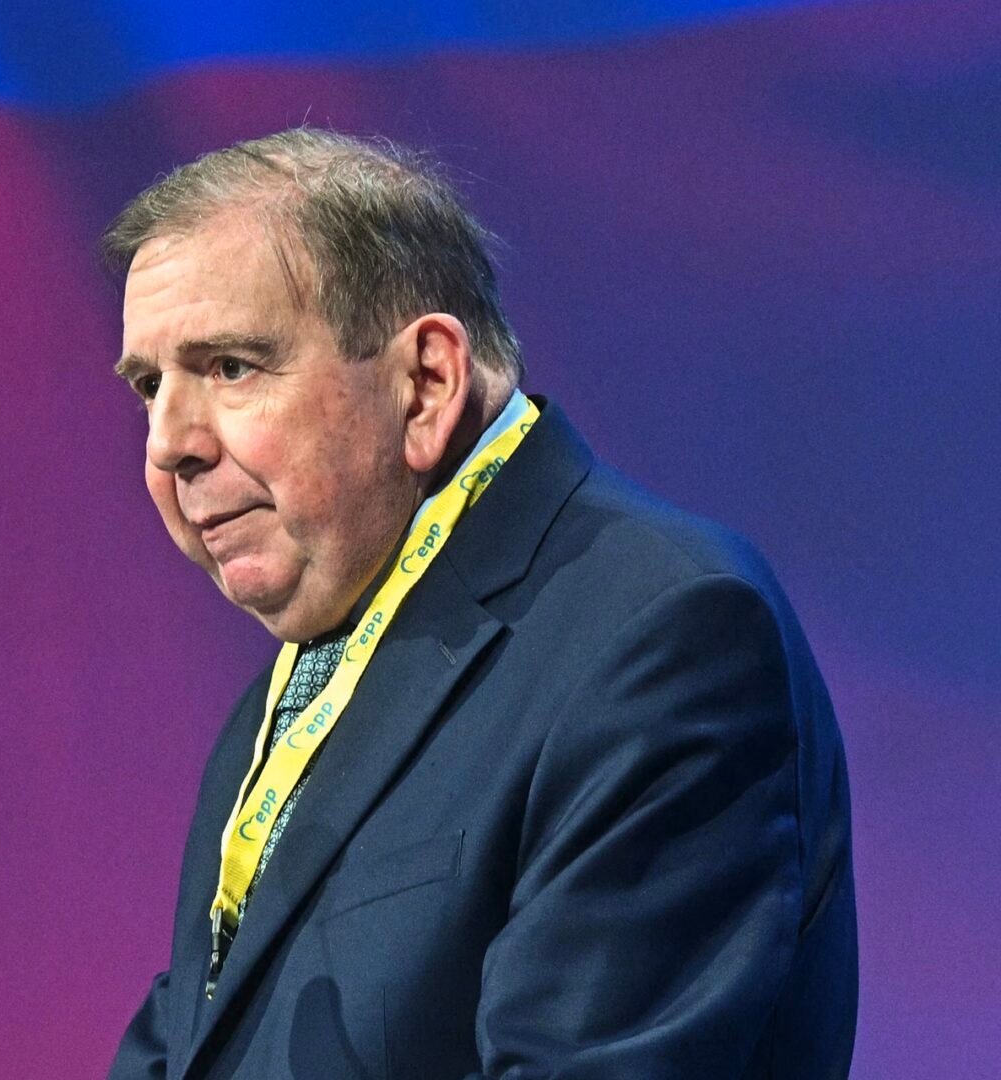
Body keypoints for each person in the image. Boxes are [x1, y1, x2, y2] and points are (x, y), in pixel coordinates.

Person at [102, 129, 856, 1080]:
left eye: (230, 367)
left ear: (425, 385)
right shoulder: (281, 708)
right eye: (149, 386)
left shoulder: (661, 638)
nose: (168, 443)